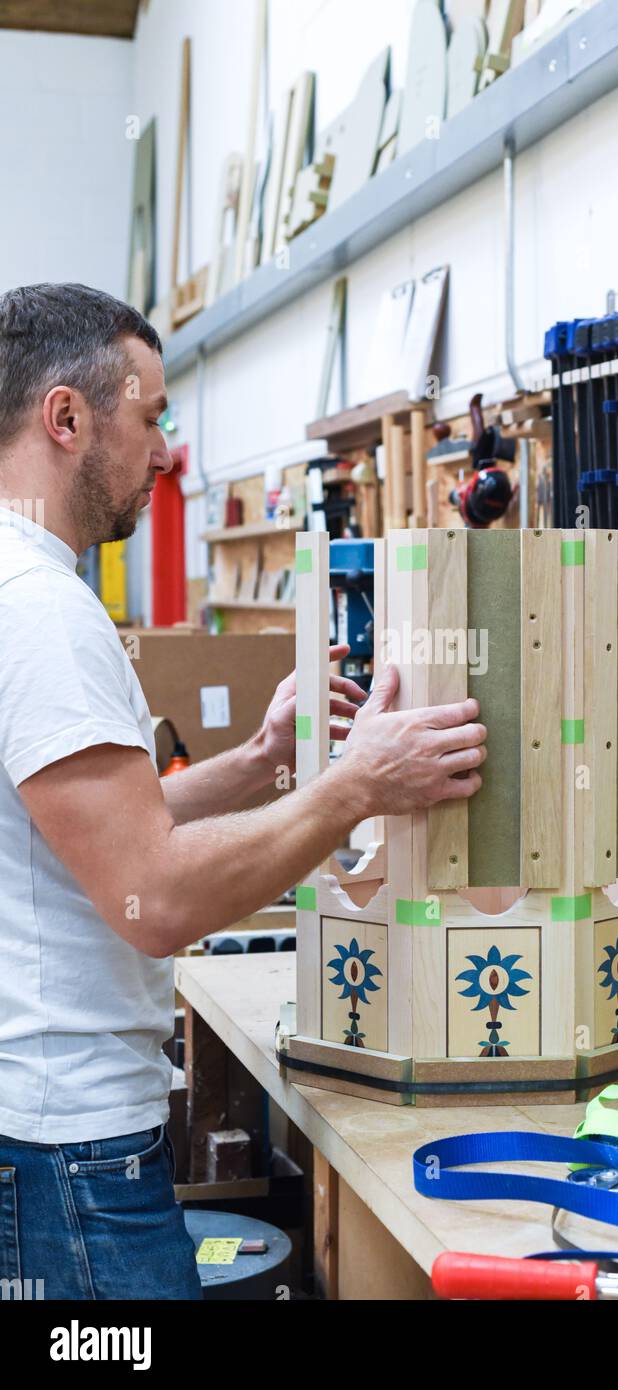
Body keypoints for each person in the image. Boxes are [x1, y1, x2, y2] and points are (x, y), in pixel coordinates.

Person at [0, 283, 486, 1299]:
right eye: (151, 418)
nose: (167, 451)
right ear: (65, 418)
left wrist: (263, 761)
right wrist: (356, 785)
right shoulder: (42, 610)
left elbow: (91, 838)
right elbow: (157, 896)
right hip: (67, 1159)